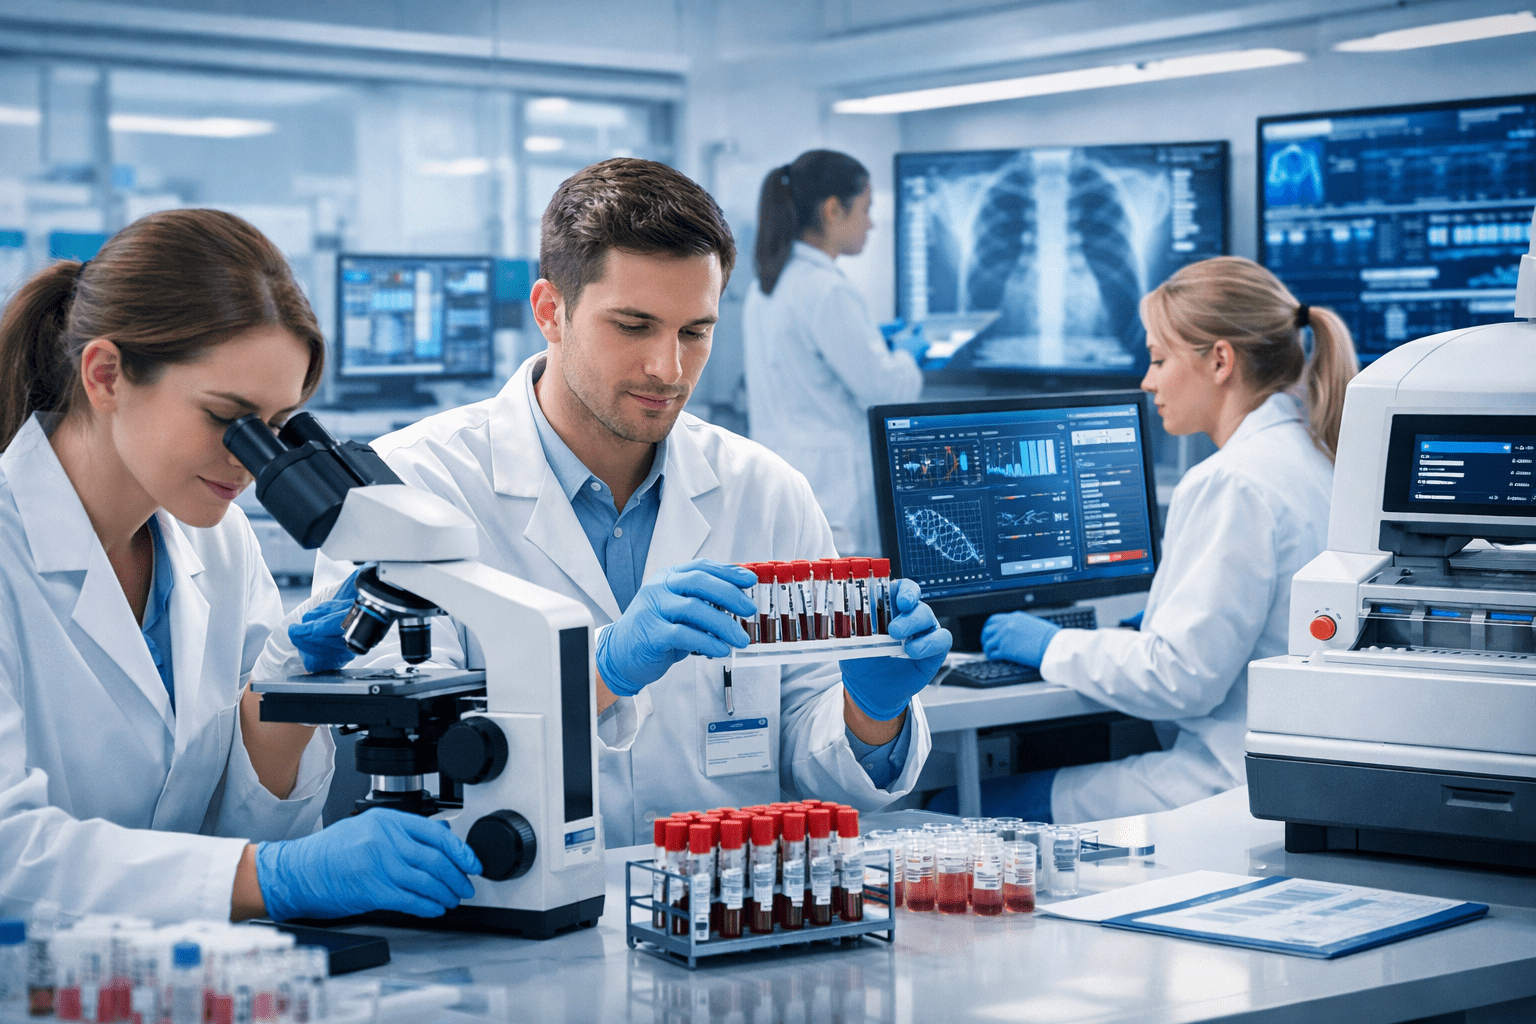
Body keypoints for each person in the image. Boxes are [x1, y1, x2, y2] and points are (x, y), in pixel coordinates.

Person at [259, 158, 952, 847]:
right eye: (633, 326)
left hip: (717, 913)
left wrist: (873, 712)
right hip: (501, 917)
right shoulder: (411, 489)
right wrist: (602, 669)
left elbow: (816, 770)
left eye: (695, 332)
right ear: (549, 312)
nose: (668, 369)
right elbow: (412, 754)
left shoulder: (766, 490)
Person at [0, 209, 480, 925]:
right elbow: (13, 856)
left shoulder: (217, 541)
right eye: (229, 418)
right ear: (105, 375)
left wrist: (280, 696)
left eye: (276, 427)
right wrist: (280, 876)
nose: (250, 463)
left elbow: (240, 840)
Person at [936, 256, 1358, 823]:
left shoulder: (1232, 481)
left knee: (956, 806)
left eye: (1159, 359)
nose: (1148, 381)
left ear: (1220, 360)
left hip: (1226, 785)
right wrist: (1151, 632)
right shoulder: (1316, 458)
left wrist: (1050, 646)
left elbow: (1180, 680)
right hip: (1291, 775)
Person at [742, 150, 924, 557]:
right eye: (865, 208)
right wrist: (909, 355)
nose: (871, 222)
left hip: (787, 477)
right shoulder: (827, 289)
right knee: (853, 611)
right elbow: (886, 390)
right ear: (833, 210)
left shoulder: (770, 283)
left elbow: (806, 362)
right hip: (837, 488)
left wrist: (869, 339)